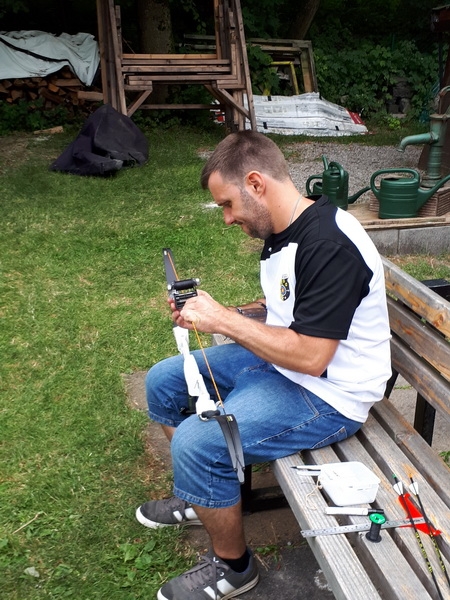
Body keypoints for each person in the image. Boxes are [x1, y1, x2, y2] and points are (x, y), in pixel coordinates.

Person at [136, 130, 392, 600]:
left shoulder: (329, 244)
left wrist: (222, 322)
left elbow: (312, 357)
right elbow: (285, 310)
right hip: (286, 364)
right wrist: (220, 311)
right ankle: (203, 492)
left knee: (196, 443)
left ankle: (234, 568)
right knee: (163, 381)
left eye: (228, 204)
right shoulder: (284, 231)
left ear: (255, 183)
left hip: (329, 394)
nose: (227, 218)